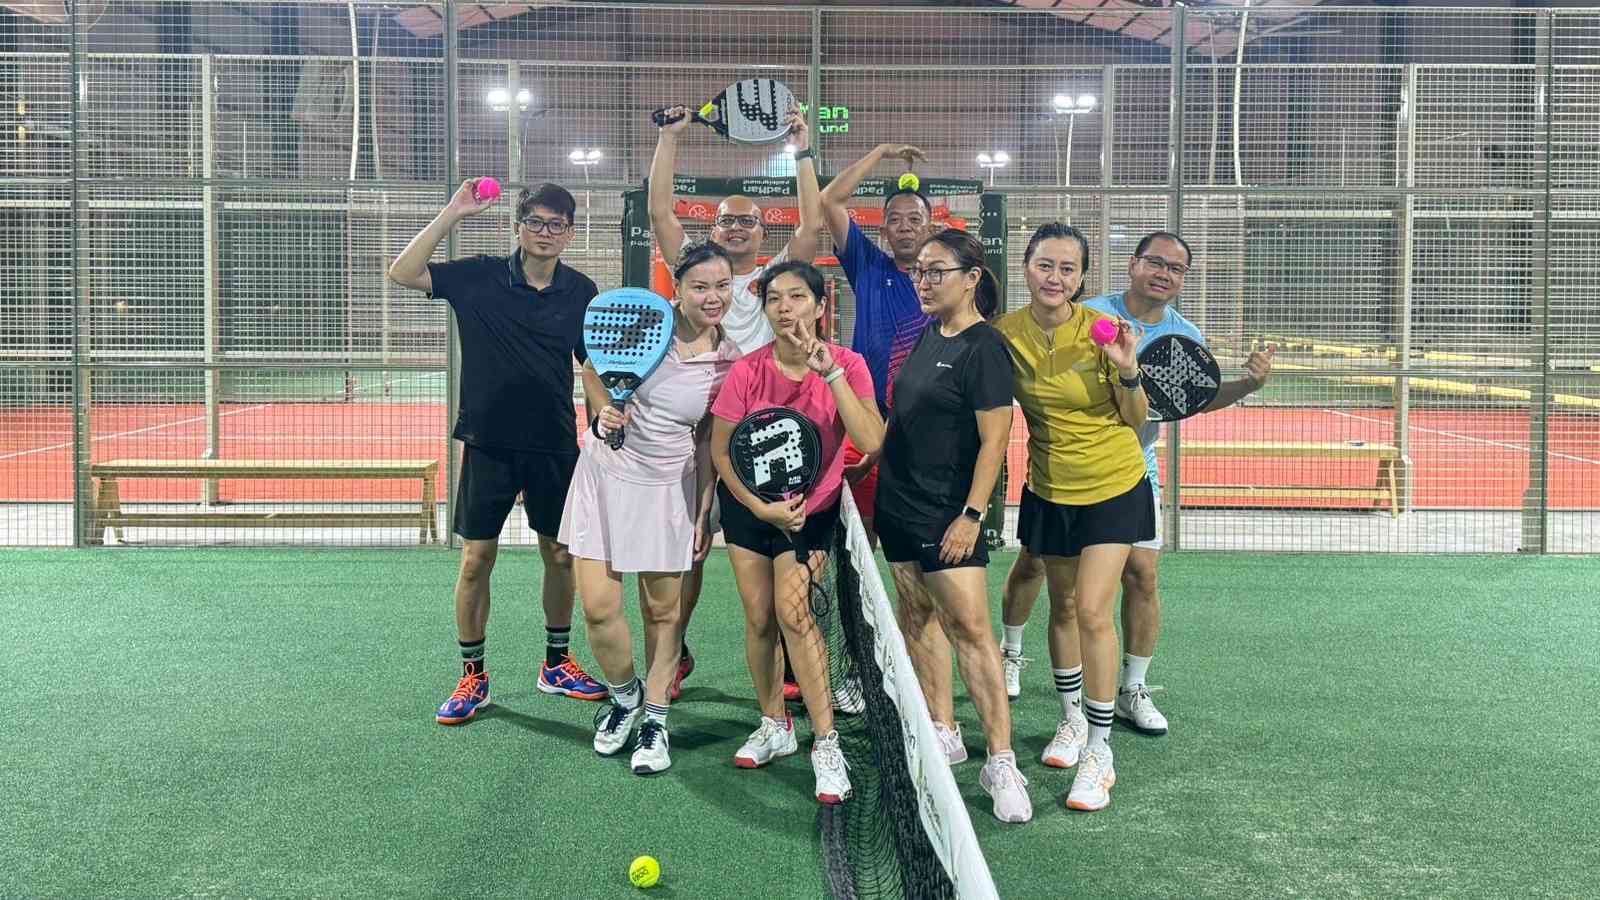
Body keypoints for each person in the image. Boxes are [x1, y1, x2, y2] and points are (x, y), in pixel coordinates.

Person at [996, 231, 1275, 738]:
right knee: (1036, 568)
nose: (1164, 273)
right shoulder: (1089, 315)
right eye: (1155, 262)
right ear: (1132, 264)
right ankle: (1013, 653)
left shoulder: (1182, 333)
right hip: (1055, 474)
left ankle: (1130, 690)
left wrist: (1247, 385)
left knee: (1138, 577)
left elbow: (1191, 398)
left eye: (1176, 268)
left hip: (1130, 467)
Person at [387, 180, 608, 725]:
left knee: (560, 555)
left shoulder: (581, 290)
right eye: (535, 221)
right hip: (488, 442)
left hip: (554, 442)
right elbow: (403, 272)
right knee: (475, 560)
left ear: (569, 232)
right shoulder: (480, 276)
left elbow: (590, 365)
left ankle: (556, 664)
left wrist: (601, 422)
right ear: (518, 226)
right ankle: (473, 676)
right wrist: (453, 211)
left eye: (556, 224)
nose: (544, 232)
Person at [649, 102, 821, 700]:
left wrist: (802, 148)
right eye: (727, 221)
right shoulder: (701, 275)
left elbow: (813, 222)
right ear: (714, 229)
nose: (737, 228)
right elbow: (660, 211)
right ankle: (673, 657)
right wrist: (670, 139)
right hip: (700, 438)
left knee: (785, 560)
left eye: (749, 221)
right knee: (689, 553)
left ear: (764, 233)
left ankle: (794, 665)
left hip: (768, 441)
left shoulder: (775, 282)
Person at [563, 242, 743, 776]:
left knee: (664, 614)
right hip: (603, 477)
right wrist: (602, 413)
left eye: (722, 286)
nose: (712, 297)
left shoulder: (729, 359)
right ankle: (626, 696)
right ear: (677, 289)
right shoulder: (644, 324)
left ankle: (656, 718)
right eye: (700, 287)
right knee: (598, 608)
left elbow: (710, 437)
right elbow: (591, 371)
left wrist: (703, 508)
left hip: (670, 488)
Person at [709, 261, 885, 805]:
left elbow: (872, 439)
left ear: (820, 305)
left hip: (812, 513)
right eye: (774, 299)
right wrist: (760, 509)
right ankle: (774, 724)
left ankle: (826, 741)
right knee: (759, 617)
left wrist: (829, 374)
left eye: (797, 297)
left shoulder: (848, 364)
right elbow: (721, 451)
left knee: (795, 613)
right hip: (749, 510)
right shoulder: (748, 370)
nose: (785, 308)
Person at [992, 223, 1152, 812]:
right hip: (1050, 487)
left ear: (1082, 277)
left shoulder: (1103, 329)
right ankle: (1071, 720)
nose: (1055, 277)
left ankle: (1100, 752)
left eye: (1067, 268)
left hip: (1114, 484)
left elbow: (1136, 417)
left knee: (1090, 609)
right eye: (1045, 265)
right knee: (1060, 606)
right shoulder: (1005, 335)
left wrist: (1127, 368)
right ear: (1026, 268)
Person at [878, 229, 1029, 823]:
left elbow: (995, 441)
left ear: (971, 279)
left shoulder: (984, 347)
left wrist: (971, 515)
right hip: (898, 505)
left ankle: (1001, 761)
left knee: (971, 630)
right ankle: (943, 729)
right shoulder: (927, 333)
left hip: (947, 513)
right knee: (917, 617)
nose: (924, 281)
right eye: (919, 271)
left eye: (936, 270)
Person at [818, 143, 937, 545]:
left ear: (929, 229)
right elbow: (830, 200)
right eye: (895, 220)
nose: (905, 227)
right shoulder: (868, 265)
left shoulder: (945, 284)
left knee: (915, 546)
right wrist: (882, 153)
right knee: (861, 541)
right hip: (865, 417)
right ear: (883, 231)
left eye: (915, 219)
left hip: (921, 425)